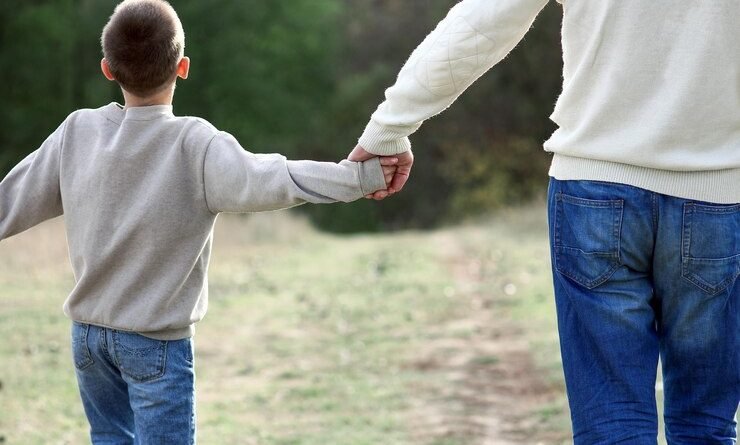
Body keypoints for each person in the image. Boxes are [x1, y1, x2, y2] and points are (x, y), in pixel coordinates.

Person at [0, 0, 398, 442]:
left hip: (88, 341)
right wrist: (361, 176)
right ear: (183, 67)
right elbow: (276, 177)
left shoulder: (77, 132)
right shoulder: (195, 144)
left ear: (107, 70)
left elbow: (9, 200)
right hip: (154, 343)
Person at [349, 0, 739, 443]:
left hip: (594, 189)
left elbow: (484, 20)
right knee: (705, 426)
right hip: (718, 194)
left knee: (612, 425)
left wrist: (390, 125)